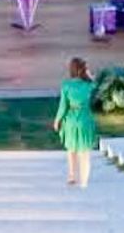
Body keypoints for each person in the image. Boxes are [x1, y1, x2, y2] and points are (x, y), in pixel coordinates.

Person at [53, 57, 97, 188]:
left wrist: (57, 120)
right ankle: (84, 180)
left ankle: (72, 176)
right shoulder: (89, 85)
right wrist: (89, 76)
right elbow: (95, 85)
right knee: (85, 152)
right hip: (85, 119)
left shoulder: (66, 85)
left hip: (71, 120)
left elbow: (63, 106)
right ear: (83, 69)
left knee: (71, 149)